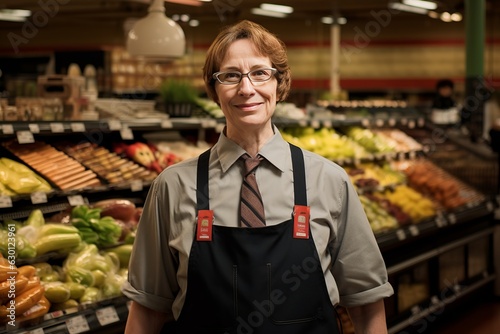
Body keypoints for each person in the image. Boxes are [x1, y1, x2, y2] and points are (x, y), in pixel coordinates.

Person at [122, 20, 393, 334]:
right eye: (231, 75)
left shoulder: (330, 181)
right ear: (214, 88)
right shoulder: (172, 186)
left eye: (260, 73)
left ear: (280, 84)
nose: (246, 88)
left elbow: (367, 305)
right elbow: (146, 311)